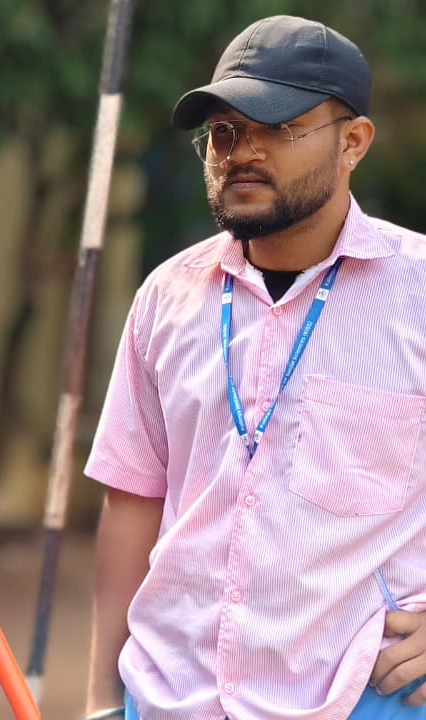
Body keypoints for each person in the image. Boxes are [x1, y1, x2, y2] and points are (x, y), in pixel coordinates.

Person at [84, 15, 426, 720]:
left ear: (354, 142)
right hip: (171, 695)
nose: (242, 152)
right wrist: (100, 703)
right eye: (225, 132)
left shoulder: (417, 290)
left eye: (278, 128)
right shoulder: (167, 297)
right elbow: (133, 501)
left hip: (359, 694)